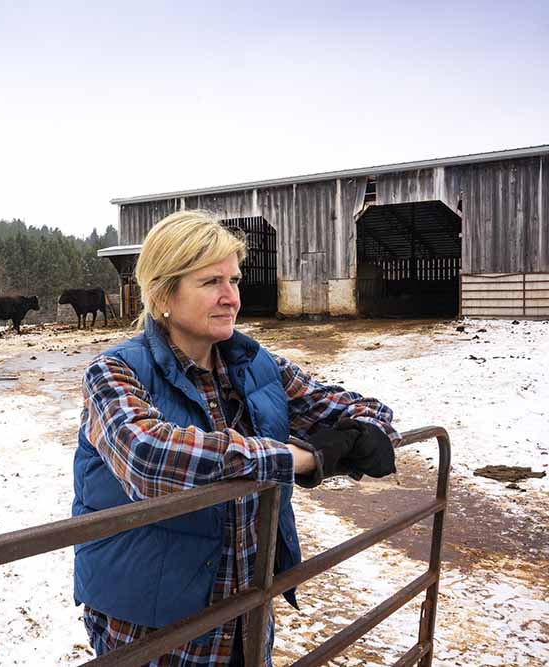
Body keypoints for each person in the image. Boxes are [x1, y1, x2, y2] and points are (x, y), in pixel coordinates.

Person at [71, 210, 399, 666]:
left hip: (246, 613)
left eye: (235, 280)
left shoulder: (255, 366)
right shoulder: (114, 372)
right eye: (211, 282)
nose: (231, 298)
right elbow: (150, 458)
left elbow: (362, 410)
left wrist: (361, 433)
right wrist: (301, 459)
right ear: (164, 294)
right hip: (155, 626)